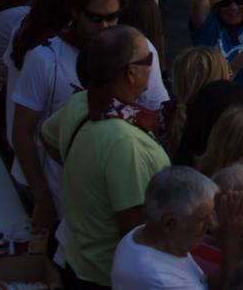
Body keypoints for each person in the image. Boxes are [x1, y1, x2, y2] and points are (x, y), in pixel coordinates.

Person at [42, 25, 171, 288]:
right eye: (149, 60)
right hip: (102, 277)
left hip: (76, 262)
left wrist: (89, 175)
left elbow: (48, 136)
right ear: (131, 73)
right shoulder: (124, 143)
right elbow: (134, 235)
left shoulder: (81, 102)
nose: (153, 65)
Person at [109, 166, 217, 289]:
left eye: (212, 214)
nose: (211, 225)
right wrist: (233, 245)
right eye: (202, 219)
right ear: (169, 223)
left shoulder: (144, 233)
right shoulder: (162, 280)